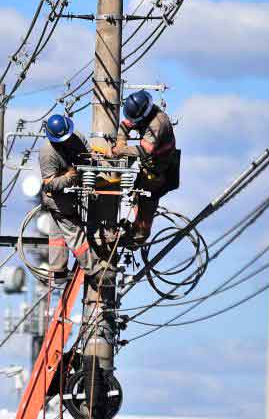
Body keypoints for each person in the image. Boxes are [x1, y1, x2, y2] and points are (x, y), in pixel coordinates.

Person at [38, 113, 100, 282]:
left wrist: (95, 160)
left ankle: (58, 270)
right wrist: (69, 176)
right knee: (74, 233)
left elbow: (89, 155)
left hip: (73, 193)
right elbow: (48, 184)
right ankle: (94, 270)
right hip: (58, 199)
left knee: (58, 233)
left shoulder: (76, 137)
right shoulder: (47, 152)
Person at [111, 90, 178, 243]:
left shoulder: (157, 123)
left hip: (160, 170)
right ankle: (134, 228)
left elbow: (144, 151)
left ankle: (139, 237)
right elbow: (125, 125)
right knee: (137, 197)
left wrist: (119, 151)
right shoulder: (142, 112)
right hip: (148, 167)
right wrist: (121, 141)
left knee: (147, 203)